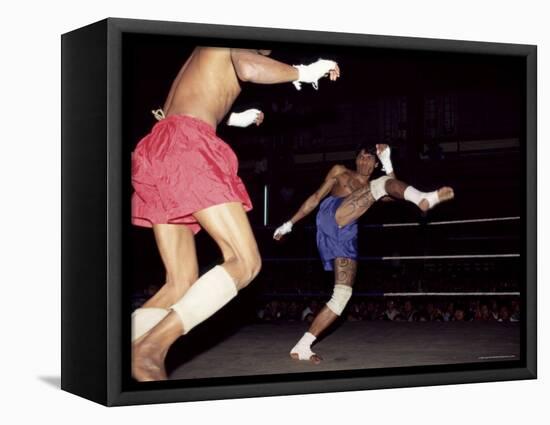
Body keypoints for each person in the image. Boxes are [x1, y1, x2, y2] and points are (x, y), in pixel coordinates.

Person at [131, 47, 341, 381]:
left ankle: (119, 348)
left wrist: (231, 118)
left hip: (159, 147)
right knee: (245, 262)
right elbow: (247, 66)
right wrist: (302, 72)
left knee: (179, 282)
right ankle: (150, 348)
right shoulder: (232, 32)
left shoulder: (201, 51)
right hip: (187, 144)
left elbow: (179, 107)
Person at [273, 144, 454, 363]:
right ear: (356, 159)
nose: (365, 161)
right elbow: (315, 197)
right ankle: (424, 199)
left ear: (375, 163)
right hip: (332, 216)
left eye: (370, 159)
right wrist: (289, 224)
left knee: (342, 295)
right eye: (361, 157)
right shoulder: (340, 171)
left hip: (348, 232)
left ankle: (302, 346)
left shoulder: (374, 186)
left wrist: (388, 162)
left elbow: (394, 191)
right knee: (380, 185)